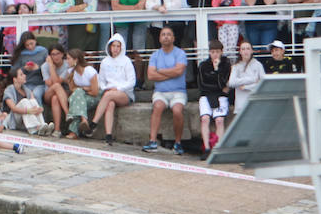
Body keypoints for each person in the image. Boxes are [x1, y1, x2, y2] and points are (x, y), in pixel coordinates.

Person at [143, 27, 188, 155]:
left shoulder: (180, 53)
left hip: (178, 92)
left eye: (169, 34)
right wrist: (171, 73)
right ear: (159, 38)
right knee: (157, 107)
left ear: (173, 38)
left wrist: (161, 71)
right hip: (160, 92)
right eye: (163, 34)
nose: (166, 37)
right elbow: (151, 76)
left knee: (177, 111)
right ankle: (152, 141)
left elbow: (179, 71)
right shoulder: (155, 55)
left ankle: (178, 143)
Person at [91, 33, 136, 145]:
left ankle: (93, 123)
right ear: (109, 47)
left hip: (125, 94)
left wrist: (118, 88)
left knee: (108, 96)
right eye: (113, 46)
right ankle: (109, 135)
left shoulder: (126, 61)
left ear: (121, 48)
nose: (115, 49)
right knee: (110, 104)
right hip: (109, 92)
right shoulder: (105, 62)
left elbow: (132, 82)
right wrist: (107, 88)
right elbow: (101, 81)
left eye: (118, 46)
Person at [197, 39, 232, 156]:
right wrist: (217, 86)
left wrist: (216, 71)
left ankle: (218, 148)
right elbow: (202, 85)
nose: (215, 54)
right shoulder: (203, 66)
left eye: (217, 52)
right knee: (205, 119)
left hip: (220, 97)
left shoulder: (226, 65)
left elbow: (224, 84)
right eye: (212, 52)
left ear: (221, 52)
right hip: (206, 96)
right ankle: (206, 148)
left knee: (219, 120)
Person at [2, 66, 51, 134]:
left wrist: (39, 109)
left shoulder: (26, 89)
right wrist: (29, 111)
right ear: (15, 79)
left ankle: (42, 125)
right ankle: (34, 128)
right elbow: (13, 109)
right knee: (24, 101)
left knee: (32, 101)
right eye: (21, 75)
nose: (25, 76)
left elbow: (34, 102)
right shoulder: (9, 90)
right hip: (14, 118)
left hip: (25, 119)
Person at [65, 48, 100, 139]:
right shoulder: (70, 72)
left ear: (76, 60)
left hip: (94, 97)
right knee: (78, 98)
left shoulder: (89, 71)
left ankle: (73, 131)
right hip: (81, 96)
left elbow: (95, 91)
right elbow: (72, 89)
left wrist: (84, 89)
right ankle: (84, 120)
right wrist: (82, 90)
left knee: (78, 98)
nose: (67, 61)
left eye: (68, 59)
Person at [42, 44, 73, 134]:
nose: (56, 57)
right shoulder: (45, 66)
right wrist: (51, 66)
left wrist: (54, 77)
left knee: (55, 98)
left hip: (62, 94)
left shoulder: (67, 65)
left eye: (58, 53)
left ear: (63, 54)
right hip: (48, 93)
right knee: (56, 86)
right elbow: (51, 83)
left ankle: (57, 129)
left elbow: (57, 81)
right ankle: (67, 113)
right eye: (53, 54)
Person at [227, 40, 265, 114]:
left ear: (252, 51)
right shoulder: (236, 66)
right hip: (241, 105)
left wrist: (246, 87)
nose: (245, 51)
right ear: (240, 52)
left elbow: (262, 83)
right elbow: (231, 82)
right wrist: (252, 80)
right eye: (243, 49)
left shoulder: (258, 65)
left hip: (255, 104)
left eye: (248, 49)